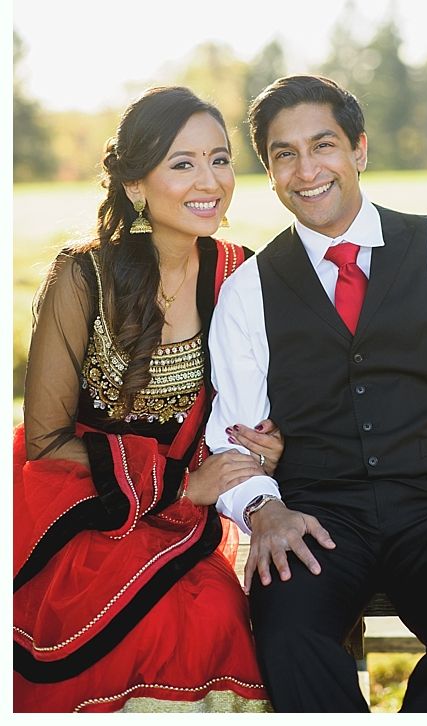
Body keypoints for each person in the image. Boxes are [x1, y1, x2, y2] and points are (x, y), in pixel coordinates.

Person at [205, 74, 427, 712]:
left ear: (359, 149)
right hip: (317, 515)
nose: (307, 169)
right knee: (286, 631)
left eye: (324, 145)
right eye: (285, 154)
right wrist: (263, 510)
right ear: (270, 171)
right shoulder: (249, 290)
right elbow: (230, 432)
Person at [13, 87, 281, 712]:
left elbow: (269, 405)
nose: (208, 179)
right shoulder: (82, 276)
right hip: (77, 500)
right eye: (181, 163)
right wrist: (180, 487)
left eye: (219, 158)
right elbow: (49, 440)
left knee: (214, 613)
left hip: (185, 516)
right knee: (143, 624)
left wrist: (274, 442)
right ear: (136, 184)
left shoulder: (243, 275)